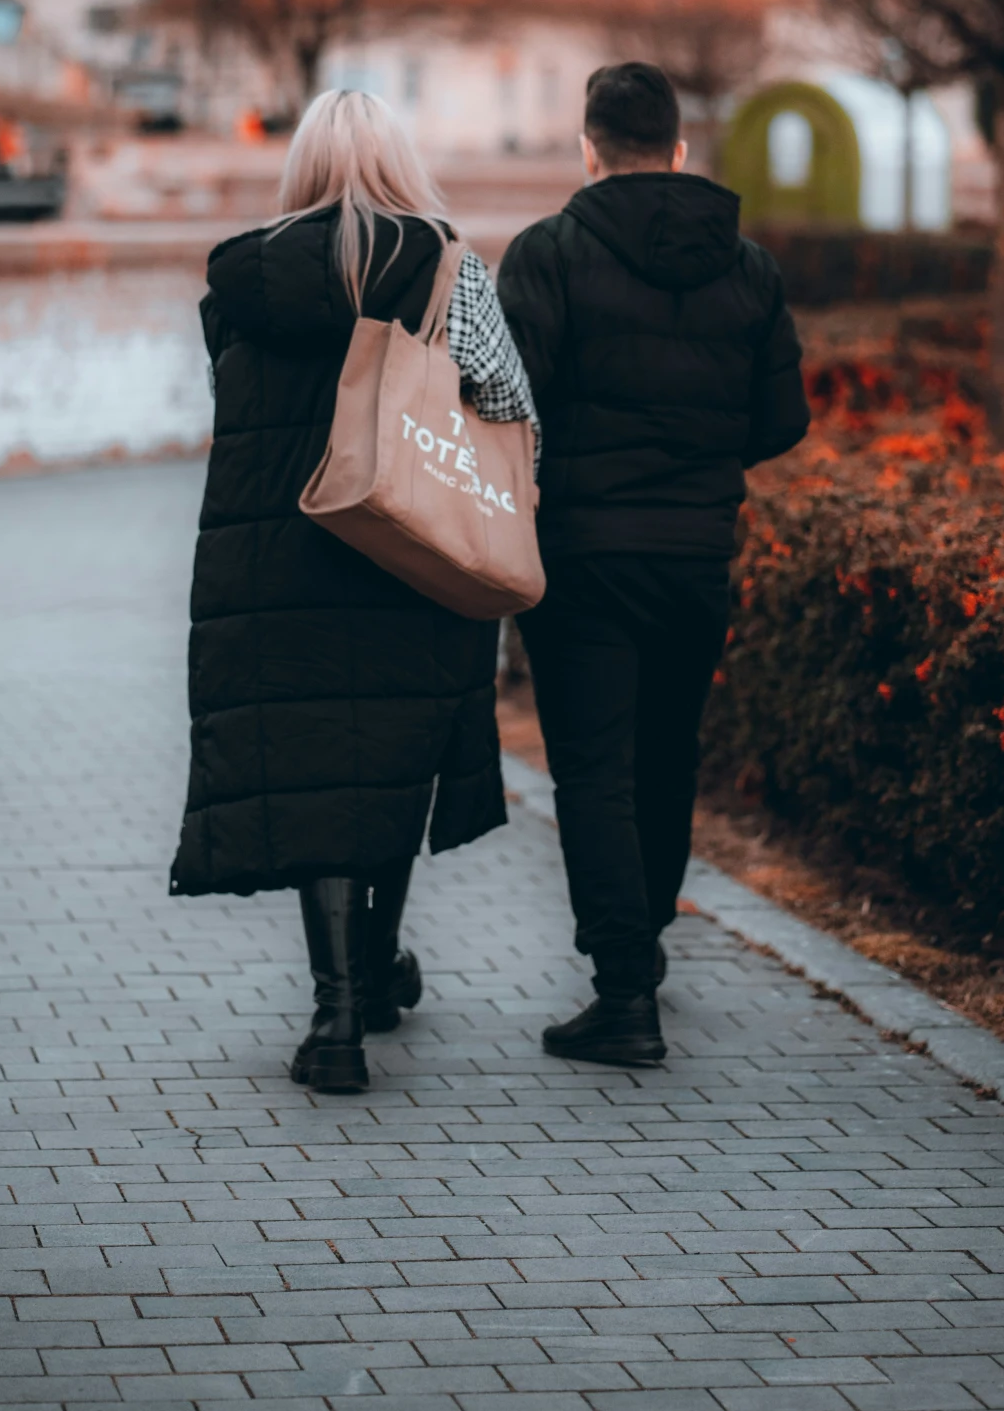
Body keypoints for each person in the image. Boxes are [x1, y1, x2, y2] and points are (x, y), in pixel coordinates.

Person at [170, 88, 537, 1095]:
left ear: (302, 164)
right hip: (408, 553)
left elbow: (232, 406)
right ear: (398, 163)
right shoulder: (446, 264)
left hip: (278, 566)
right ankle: (372, 975)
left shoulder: (242, 275)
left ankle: (337, 1018)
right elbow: (507, 398)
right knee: (387, 765)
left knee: (314, 768)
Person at [498, 62, 809, 1066]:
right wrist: (698, 463)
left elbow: (509, 407)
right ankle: (647, 948)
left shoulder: (546, 254)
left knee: (592, 770)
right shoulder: (750, 268)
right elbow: (782, 418)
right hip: (695, 552)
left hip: (580, 556)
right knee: (668, 755)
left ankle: (624, 990)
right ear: (679, 149)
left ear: (589, 148)